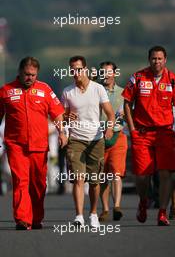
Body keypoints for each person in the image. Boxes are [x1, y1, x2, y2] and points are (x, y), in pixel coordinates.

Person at [0, 57, 67, 230]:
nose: (30, 78)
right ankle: (22, 219)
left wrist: (62, 132)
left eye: (33, 75)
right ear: (19, 72)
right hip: (16, 145)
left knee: (38, 184)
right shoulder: (6, 91)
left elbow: (57, 113)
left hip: (39, 145)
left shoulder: (45, 90)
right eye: (27, 74)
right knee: (21, 181)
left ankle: (36, 217)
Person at [122, 46, 175, 226]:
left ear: (165, 60)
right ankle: (143, 202)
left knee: (166, 173)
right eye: (153, 58)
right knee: (143, 175)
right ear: (149, 59)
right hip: (142, 134)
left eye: (160, 58)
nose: (156, 62)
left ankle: (162, 212)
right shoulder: (137, 77)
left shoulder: (173, 80)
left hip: (165, 133)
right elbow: (127, 104)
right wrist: (132, 130)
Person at [61, 55, 115, 228]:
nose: (75, 73)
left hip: (96, 139)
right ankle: (78, 216)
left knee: (94, 181)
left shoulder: (98, 89)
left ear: (85, 69)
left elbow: (110, 114)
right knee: (78, 178)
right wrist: (66, 119)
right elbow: (62, 117)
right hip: (76, 139)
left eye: (78, 69)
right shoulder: (67, 91)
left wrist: (109, 127)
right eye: (72, 70)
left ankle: (92, 213)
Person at [98, 61, 128, 222]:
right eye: (103, 72)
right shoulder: (94, 91)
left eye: (109, 72)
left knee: (116, 173)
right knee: (102, 176)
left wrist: (125, 113)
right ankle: (105, 209)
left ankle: (117, 206)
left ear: (115, 74)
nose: (106, 75)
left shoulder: (123, 92)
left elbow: (130, 111)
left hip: (118, 136)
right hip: (98, 137)